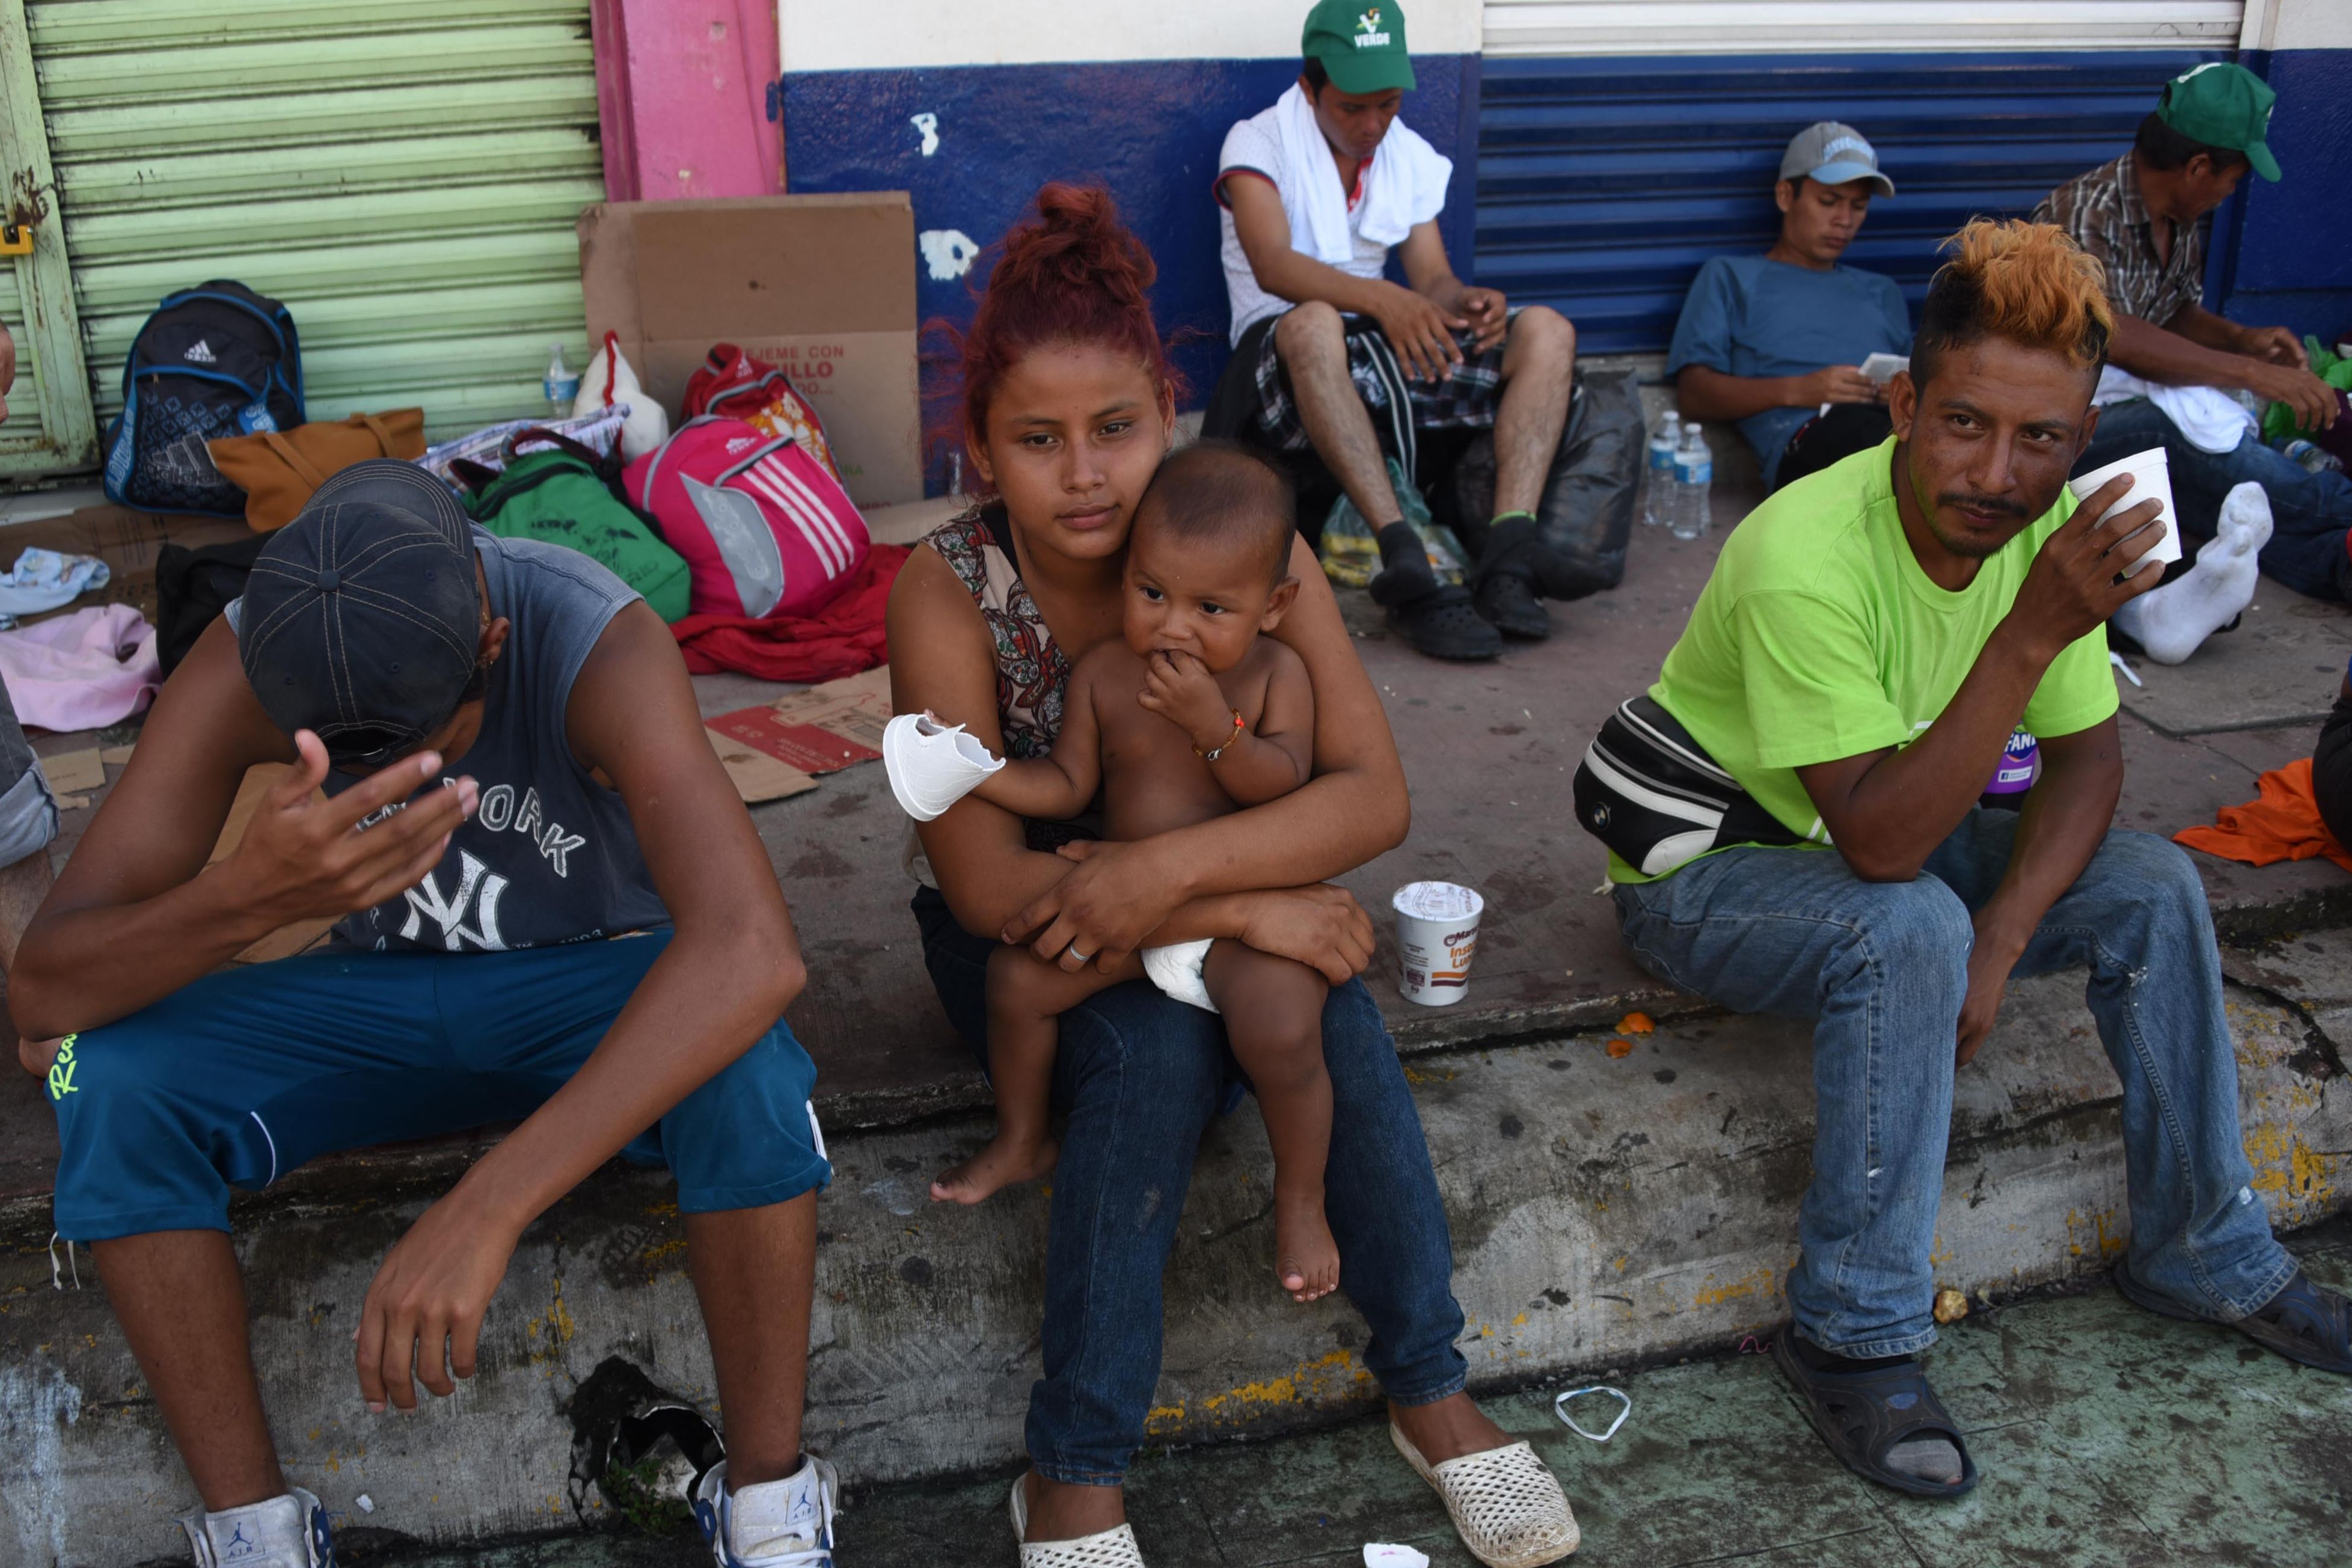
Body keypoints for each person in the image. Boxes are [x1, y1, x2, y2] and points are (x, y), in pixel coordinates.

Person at [1585, 219, 2352, 1501]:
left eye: (2042, 439)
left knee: (2152, 884)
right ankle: (1855, 1332)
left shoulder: (2048, 529)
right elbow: (1885, 847)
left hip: (1890, 835)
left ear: (2084, 433)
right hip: (1709, 866)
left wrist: (2003, 939)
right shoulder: (1802, 554)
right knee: (1911, 927)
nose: (1998, 473)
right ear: (1905, 405)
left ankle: (2202, 1248)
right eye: (1964, 425)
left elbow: (2089, 769)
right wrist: (2034, 631)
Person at [889, 183, 1579, 1568]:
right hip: (1032, 939)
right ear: (978, 448)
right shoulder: (947, 588)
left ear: (1168, 409)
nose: (1082, 475)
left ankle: (1428, 1384)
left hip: (1164, 901)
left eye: (1114, 430)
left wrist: (1177, 885)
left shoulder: (1234, 541)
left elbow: (1367, 796)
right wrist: (1240, 897)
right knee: (1151, 1053)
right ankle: (1072, 1469)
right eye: (1036, 441)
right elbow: (979, 881)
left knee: (1325, 997)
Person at [13, 462, 841, 1568]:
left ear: (488, 644)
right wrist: (250, 895)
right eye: (336, 758)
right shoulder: (245, 656)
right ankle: (253, 1534)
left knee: (746, 1058)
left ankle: (768, 1506)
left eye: (423, 743)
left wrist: (486, 1203)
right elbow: (45, 983)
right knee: (99, 1077)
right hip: (370, 1007)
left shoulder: (587, 632)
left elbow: (752, 949)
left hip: (591, 990)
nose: (393, 778)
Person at [931, 441, 1343, 1305]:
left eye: (1211, 607)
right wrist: (980, 771)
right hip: (1133, 922)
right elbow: (1070, 782)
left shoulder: (1279, 676)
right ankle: (1022, 1136)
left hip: (1233, 927)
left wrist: (1215, 729)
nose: (1173, 625)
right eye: (1151, 592)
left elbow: (1287, 785)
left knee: (1284, 1031)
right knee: (1015, 983)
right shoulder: (1108, 673)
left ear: (1274, 607)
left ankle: (1300, 1199)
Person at [1205, 0, 1588, 660]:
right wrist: (1385, 300)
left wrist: (1469, 303)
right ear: (1310, 87)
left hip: (1370, 351)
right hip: (1278, 360)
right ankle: (1402, 552)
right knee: (1316, 323)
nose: (1373, 124)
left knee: (1546, 331)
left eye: (1387, 105)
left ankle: (1509, 552)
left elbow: (1433, 279)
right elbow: (1273, 265)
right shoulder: (1257, 142)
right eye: (1353, 107)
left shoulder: (1402, 154)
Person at [2033, 61, 2351, 610]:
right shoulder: (2081, 214)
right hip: (2061, 428)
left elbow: (2173, 309)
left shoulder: (2176, 216)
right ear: (2199, 167)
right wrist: (2253, 372)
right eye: (2233, 181)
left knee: (2233, 511)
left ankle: (2339, 564)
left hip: (2123, 408)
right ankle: (2341, 506)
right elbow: (2115, 335)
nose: (2229, 194)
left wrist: (2241, 339)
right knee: (2181, 433)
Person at [1668, 122, 1913, 493]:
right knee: (1877, 452)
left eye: (1858, 206)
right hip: (1810, 438)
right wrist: (1801, 390)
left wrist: (1898, 392)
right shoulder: (1731, 277)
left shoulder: (1882, 291)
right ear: (1786, 196)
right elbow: (1694, 394)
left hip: (1895, 431)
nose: (1844, 221)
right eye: (1828, 202)